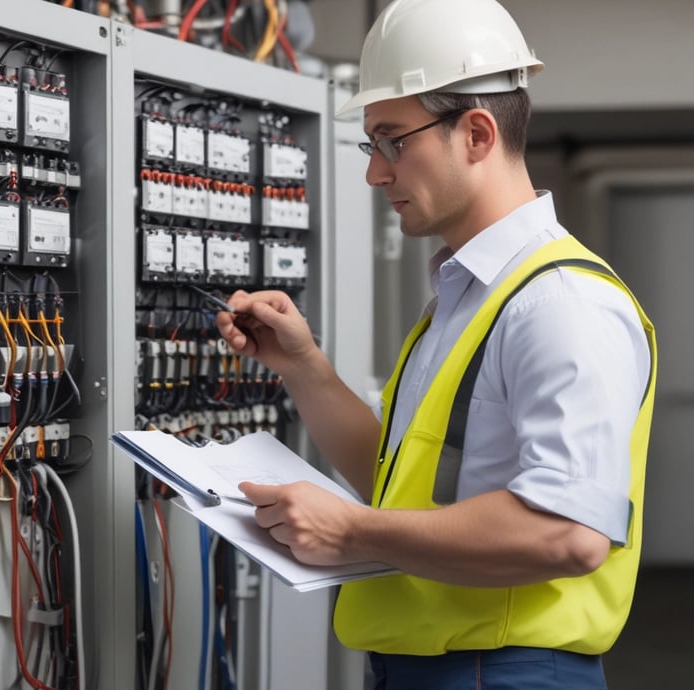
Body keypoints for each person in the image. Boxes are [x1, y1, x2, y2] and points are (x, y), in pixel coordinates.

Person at [216, 0, 657, 687]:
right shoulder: (467, 299)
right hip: (433, 668)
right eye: (372, 146)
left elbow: (567, 533)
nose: (375, 173)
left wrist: (351, 531)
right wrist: (304, 367)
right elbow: (404, 492)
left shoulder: (558, 303)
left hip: (503, 672)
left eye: (393, 141)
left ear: (476, 134)